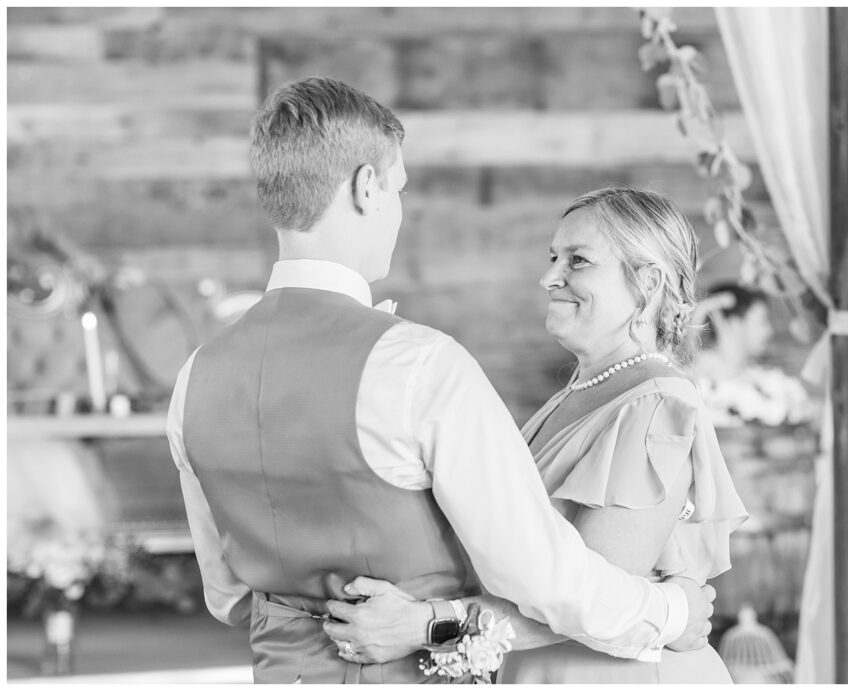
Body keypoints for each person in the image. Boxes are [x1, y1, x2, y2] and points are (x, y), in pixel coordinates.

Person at [165, 78, 715, 683]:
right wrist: (670, 610)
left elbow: (228, 595)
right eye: (398, 189)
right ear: (366, 187)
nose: (398, 211)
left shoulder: (196, 377)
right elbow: (542, 576)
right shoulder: (419, 365)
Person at [327, 187, 748, 683]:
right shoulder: (578, 392)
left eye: (579, 260)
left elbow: (594, 603)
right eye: (554, 257)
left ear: (648, 282)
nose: (550, 277)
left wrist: (427, 624)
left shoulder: (656, 408)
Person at [691, 282, 774, 382]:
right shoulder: (705, 372)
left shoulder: (748, 374)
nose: (770, 331)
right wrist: (705, 307)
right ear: (734, 323)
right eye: (762, 322)